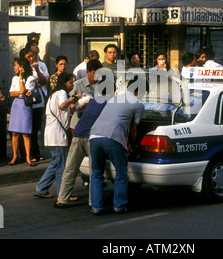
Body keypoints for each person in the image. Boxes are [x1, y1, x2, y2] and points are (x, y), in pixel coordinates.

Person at [54, 79, 114, 208]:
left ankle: (62, 199)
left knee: (70, 168)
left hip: (78, 133)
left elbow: (76, 109)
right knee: (95, 172)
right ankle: (93, 202)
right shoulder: (110, 103)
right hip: (91, 137)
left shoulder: (91, 101)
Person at [89, 79, 145, 214]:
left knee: (96, 173)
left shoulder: (114, 99)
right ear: (139, 91)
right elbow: (134, 130)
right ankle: (119, 206)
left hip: (94, 136)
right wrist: (133, 145)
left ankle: (96, 208)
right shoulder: (138, 104)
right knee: (121, 174)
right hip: (113, 138)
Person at [34, 72, 76, 199]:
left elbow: (64, 110)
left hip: (54, 134)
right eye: (71, 82)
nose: (72, 84)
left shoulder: (55, 94)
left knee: (56, 163)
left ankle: (42, 188)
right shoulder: (62, 93)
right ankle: (62, 194)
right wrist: (74, 99)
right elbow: (63, 105)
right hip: (57, 135)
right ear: (64, 83)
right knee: (61, 166)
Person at [24, 40, 49, 162]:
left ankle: (35, 152)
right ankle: (28, 154)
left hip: (38, 100)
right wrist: (35, 84)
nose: (31, 58)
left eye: (31, 56)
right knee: (27, 129)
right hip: (27, 102)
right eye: (28, 57)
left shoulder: (39, 66)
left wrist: (37, 70)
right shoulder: (22, 68)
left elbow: (44, 81)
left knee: (36, 128)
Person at [8, 57, 36, 167]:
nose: (14, 67)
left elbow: (23, 90)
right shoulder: (13, 78)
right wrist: (21, 91)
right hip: (16, 104)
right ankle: (15, 155)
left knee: (26, 133)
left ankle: (28, 157)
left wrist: (20, 78)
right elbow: (11, 93)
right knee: (14, 132)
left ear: (21, 67)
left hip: (25, 105)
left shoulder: (30, 78)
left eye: (16, 65)